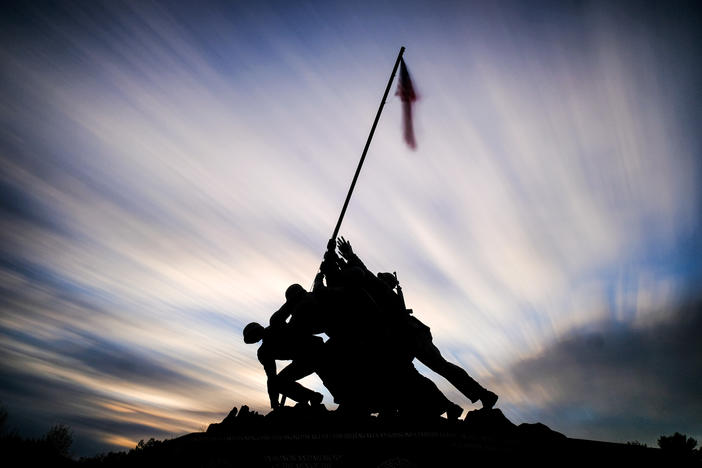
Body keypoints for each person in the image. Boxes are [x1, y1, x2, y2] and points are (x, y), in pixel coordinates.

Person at [335, 237, 499, 410]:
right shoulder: (379, 293)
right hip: (402, 339)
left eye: (381, 277)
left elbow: (365, 274)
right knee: (407, 372)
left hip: (411, 336)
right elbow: (361, 278)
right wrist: (341, 261)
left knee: (437, 367)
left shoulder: (383, 291)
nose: (378, 278)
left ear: (386, 282)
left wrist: (350, 256)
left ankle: (476, 397)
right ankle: (451, 404)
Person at [243, 320, 323, 409]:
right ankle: (312, 397)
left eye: (253, 335)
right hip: (303, 361)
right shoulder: (264, 352)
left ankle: (314, 397)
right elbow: (272, 377)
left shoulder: (277, 326)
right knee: (279, 383)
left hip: (316, 350)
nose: (254, 339)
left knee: (278, 383)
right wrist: (274, 401)